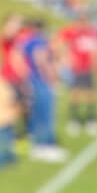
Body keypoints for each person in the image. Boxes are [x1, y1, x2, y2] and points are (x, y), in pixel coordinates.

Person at [16, 18, 67, 163]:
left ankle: (38, 146)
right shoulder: (39, 42)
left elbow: (20, 61)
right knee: (46, 115)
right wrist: (53, 77)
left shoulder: (25, 43)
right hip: (41, 82)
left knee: (37, 115)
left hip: (32, 81)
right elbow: (42, 61)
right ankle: (48, 145)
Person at [57, 6, 97, 137]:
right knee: (75, 93)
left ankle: (91, 118)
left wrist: (96, 62)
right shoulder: (72, 33)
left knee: (90, 94)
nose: (83, 24)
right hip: (76, 68)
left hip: (89, 68)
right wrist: (66, 56)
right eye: (81, 21)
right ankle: (74, 119)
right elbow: (59, 42)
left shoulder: (93, 33)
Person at [0, 14, 30, 147]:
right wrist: (14, 24)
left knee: (25, 107)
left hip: (21, 78)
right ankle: (13, 136)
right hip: (10, 78)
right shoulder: (6, 37)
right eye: (13, 23)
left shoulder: (21, 36)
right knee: (13, 107)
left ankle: (24, 133)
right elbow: (8, 34)